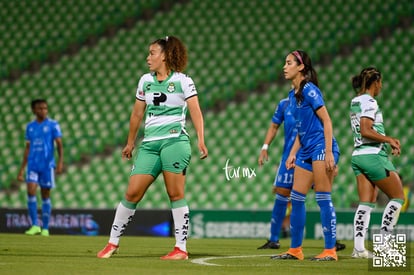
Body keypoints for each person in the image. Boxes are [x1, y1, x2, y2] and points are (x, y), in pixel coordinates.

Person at [97, 36, 208, 260]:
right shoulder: (144, 81)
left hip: (175, 141)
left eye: (152, 53)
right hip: (149, 145)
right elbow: (137, 113)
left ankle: (181, 249)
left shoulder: (183, 81)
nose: (148, 58)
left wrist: (201, 140)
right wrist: (130, 142)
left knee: (175, 193)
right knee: (131, 192)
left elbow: (195, 111)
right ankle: (112, 243)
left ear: (165, 56)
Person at [271, 50, 340, 261]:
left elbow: (327, 121)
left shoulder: (310, 90)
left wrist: (328, 152)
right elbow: (302, 130)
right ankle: (295, 249)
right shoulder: (292, 95)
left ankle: (330, 250)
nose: (284, 67)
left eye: (289, 63)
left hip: (321, 148)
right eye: (285, 63)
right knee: (296, 198)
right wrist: (292, 153)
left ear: (300, 67)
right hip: (305, 150)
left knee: (322, 197)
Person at [257, 97, 346, 252]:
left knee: (322, 194)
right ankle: (274, 239)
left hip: (313, 153)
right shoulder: (284, 104)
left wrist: (330, 154)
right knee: (282, 193)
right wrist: (265, 146)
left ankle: (331, 241)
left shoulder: (311, 102)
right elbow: (273, 126)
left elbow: (324, 125)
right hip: (290, 156)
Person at [349, 67, 404, 258]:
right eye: (380, 83)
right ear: (376, 83)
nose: (381, 87)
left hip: (358, 155)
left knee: (366, 203)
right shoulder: (370, 101)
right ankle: (386, 245)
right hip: (373, 155)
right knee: (397, 197)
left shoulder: (356, 100)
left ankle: (358, 248)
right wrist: (388, 139)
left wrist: (386, 140)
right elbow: (365, 129)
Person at [17, 99, 64, 236]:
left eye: (45, 108)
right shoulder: (30, 127)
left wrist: (60, 162)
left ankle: (45, 228)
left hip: (47, 165)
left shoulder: (53, 125)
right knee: (30, 191)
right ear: (33, 110)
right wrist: (21, 169)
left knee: (45, 195)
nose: (43, 111)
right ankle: (35, 225)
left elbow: (59, 144)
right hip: (32, 164)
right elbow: (27, 148)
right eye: (40, 108)